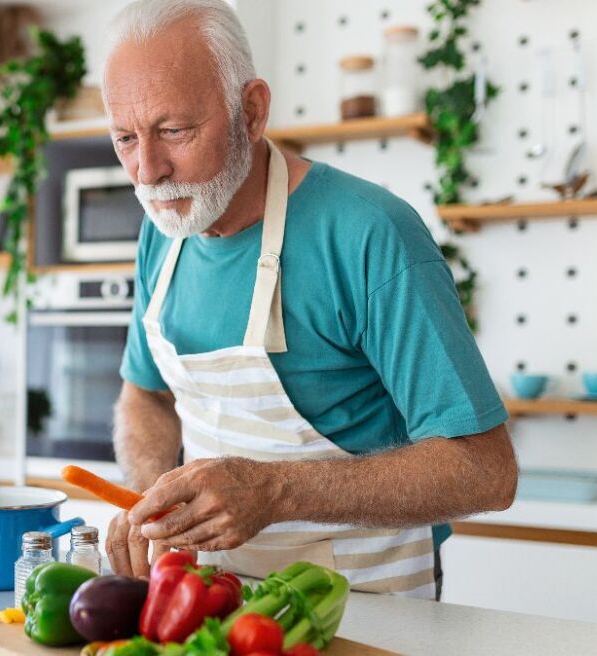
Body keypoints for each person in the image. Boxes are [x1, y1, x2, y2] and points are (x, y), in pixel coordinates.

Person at [103, 0, 517, 600]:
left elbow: (485, 470)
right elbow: (145, 395)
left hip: (363, 606)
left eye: (174, 131)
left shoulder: (368, 232)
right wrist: (153, 500)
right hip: (208, 603)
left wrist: (274, 492)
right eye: (125, 138)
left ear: (251, 111)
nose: (148, 171)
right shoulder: (164, 231)